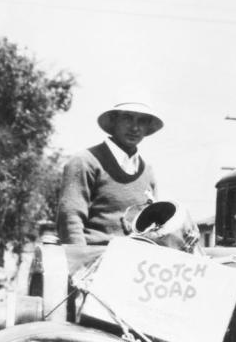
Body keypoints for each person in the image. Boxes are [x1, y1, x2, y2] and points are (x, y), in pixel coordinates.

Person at [58, 100, 163, 245]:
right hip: (95, 259)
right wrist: (80, 261)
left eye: (142, 121)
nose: (135, 127)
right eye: (127, 117)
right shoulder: (85, 161)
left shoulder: (147, 171)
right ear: (114, 120)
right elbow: (70, 219)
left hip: (137, 261)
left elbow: (153, 227)